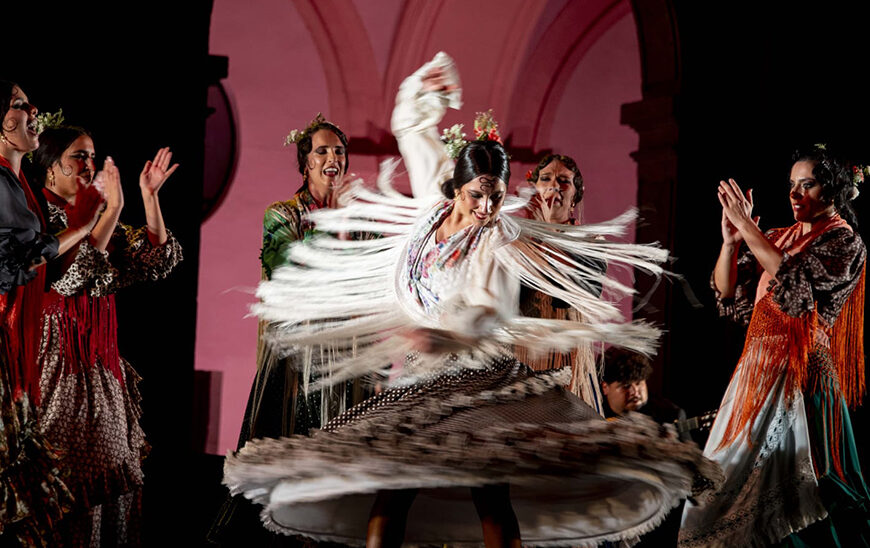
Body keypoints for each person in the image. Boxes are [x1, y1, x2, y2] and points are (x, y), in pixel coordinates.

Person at [225, 53, 721, 547]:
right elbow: (411, 127)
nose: (486, 208)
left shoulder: (497, 240)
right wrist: (427, 86)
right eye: (477, 196)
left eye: (497, 197)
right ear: (456, 187)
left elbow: (488, 310)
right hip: (424, 376)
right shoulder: (430, 209)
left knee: (490, 494)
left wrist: (442, 333)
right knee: (394, 492)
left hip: (480, 378)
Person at [679, 145, 870, 546]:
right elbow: (728, 298)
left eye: (808, 185)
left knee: (800, 496)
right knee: (721, 492)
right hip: (756, 372)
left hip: (801, 378)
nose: (795, 194)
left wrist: (747, 226)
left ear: (832, 192)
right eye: (791, 186)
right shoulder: (778, 236)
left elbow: (797, 291)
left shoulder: (844, 242)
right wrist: (731, 241)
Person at [209, 114, 368, 546]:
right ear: (305, 163)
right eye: (322, 151)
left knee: (341, 459)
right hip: (298, 356)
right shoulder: (281, 214)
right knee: (294, 450)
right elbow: (286, 271)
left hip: (349, 354)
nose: (332, 157)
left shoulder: (360, 221)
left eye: (338, 151)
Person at [30, 125, 182, 546]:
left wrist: (149, 198)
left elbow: (155, 261)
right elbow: (76, 276)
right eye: (78, 156)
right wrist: (111, 209)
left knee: (113, 474)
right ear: (49, 167)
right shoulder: (40, 218)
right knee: (68, 479)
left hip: (99, 364)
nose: (89, 165)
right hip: (56, 364)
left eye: (92, 156)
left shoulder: (92, 215)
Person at [0, 82, 100, 546]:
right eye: (19, 105)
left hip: (22, 338)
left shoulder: (19, 185)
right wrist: (84, 223)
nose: (31, 109)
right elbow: (27, 260)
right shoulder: (1, 182)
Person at [516, 153, 605, 413]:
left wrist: (551, 232)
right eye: (546, 179)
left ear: (576, 194)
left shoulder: (591, 242)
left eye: (564, 180)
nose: (554, 185)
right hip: (523, 353)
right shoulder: (519, 240)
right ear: (535, 188)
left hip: (565, 355)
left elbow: (579, 292)